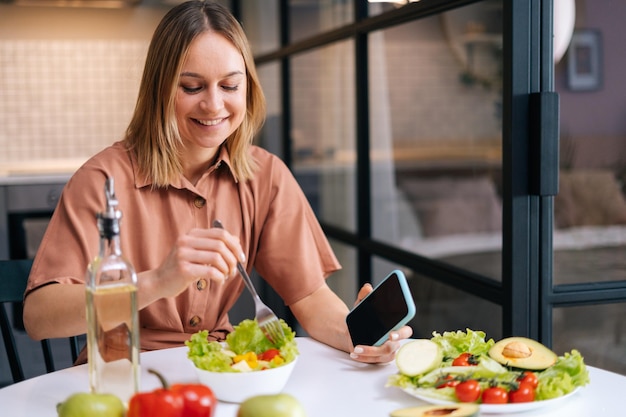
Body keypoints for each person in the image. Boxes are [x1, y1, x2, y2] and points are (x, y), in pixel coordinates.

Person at [23, 0, 412, 365]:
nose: (213, 105)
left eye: (229, 86)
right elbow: (40, 317)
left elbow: (309, 296)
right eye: (191, 87)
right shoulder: (103, 180)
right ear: (158, 90)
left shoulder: (266, 175)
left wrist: (359, 337)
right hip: (123, 376)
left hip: (217, 374)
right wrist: (157, 281)